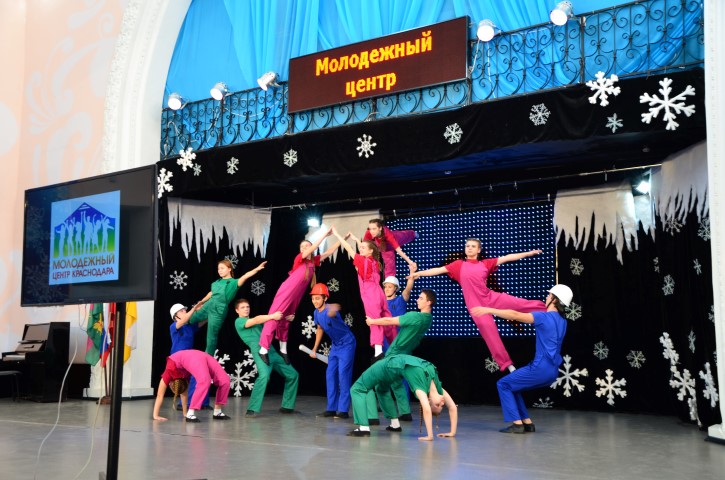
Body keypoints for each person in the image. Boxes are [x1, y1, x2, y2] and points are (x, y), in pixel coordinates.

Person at [409, 238, 546, 372]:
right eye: (467, 246)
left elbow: (507, 258)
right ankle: (507, 365)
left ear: (479, 250)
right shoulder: (458, 265)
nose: (469, 248)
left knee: (520, 303)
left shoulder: (485, 264)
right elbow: (437, 270)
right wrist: (418, 274)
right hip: (476, 307)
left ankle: (547, 308)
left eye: (473, 246)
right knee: (491, 335)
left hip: (491, 298)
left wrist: (528, 253)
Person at [471, 284, 572, 434]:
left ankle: (517, 424)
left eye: (549, 295)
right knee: (513, 384)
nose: (546, 297)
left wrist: (489, 310)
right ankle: (527, 423)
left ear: (555, 300)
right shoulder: (563, 322)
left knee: (503, 384)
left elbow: (515, 315)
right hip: (553, 371)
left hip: (540, 369)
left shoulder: (543, 317)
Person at [258, 228, 339, 365]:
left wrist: (342, 239)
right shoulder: (299, 259)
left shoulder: (313, 262)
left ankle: (283, 349)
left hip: (297, 295)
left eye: (307, 246)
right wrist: (325, 234)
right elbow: (314, 247)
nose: (305, 248)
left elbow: (329, 252)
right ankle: (263, 349)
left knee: (287, 319)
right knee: (274, 316)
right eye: (303, 246)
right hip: (286, 291)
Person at [348, 354, 457, 441]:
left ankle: (363, 428)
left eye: (437, 405)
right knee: (382, 389)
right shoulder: (439, 389)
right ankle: (395, 425)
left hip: (388, 366)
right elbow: (452, 407)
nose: (442, 402)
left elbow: (427, 409)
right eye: (441, 405)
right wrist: (452, 432)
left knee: (357, 389)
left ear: (429, 400)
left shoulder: (420, 389)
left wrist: (430, 436)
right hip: (394, 366)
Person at [366, 289, 436, 422]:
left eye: (421, 298)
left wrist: (372, 321)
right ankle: (405, 413)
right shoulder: (428, 319)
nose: (417, 300)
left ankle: (375, 417)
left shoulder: (415, 317)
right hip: (406, 354)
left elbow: (390, 320)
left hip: (395, 353)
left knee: (377, 383)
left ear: (429, 302)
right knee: (396, 383)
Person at [176, 260, 267, 355]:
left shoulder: (233, 283)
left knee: (211, 336)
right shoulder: (217, 282)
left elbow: (245, 276)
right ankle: (177, 333)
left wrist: (257, 269)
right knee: (188, 319)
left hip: (219, 310)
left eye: (222, 268)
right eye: (218, 268)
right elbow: (211, 293)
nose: (219, 270)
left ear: (229, 269)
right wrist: (201, 302)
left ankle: (208, 357)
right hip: (209, 304)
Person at [332, 226, 396, 360]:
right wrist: (356, 239)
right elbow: (366, 247)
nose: (360, 249)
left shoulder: (363, 261)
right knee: (387, 319)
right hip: (379, 293)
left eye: (362, 248)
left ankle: (378, 352)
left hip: (370, 294)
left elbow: (348, 248)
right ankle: (396, 346)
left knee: (374, 321)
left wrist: (337, 235)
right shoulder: (375, 261)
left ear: (370, 251)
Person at [233, 299, 299, 417]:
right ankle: (252, 408)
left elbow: (273, 323)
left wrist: (287, 318)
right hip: (259, 352)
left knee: (293, 375)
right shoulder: (239, 321)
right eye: (243, 307)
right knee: (264, 376)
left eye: (247, 307)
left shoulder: (259, 321)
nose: (246, 309)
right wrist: (272, 316)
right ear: (237, 310)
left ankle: (287, 406)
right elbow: (257, 319)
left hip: (271, 351)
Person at [309, 283, 356, 419]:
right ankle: (331, 408)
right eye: (313, 298)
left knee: (343, 374)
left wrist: (333, 309)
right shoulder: (316, 313)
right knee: (330, 374)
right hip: (335, 346)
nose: (315, 301)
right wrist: (314, 349)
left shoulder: (330, 309)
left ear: (325, 298)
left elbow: (335, 309)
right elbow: (320, 329)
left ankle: (343, 410)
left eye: (318, 298)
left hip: (347, 343)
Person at [152, 349, 231, 422]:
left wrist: (155, 415)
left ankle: (191, 413)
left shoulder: (169, 370)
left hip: (192, 358)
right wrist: (185, 413)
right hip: (200, 355)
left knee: (205, 380)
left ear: (170, 383)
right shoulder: (183, 380)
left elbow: (160, 395)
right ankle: (217, 411)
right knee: (225, 380)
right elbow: (184, 394)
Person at [169, 303, 209, 410]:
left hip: (189, 357)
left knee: (202, 375)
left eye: (184, 310)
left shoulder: (188, 327)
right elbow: (183, 321)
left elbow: (203, 321)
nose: (185, 312)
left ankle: (202, 403)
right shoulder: (174, 326)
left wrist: (209, 312)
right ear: (175, 316)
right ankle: (187, 404)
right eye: (181, 311)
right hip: (178, 358)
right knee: (195, 376)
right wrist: (194, 309)